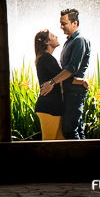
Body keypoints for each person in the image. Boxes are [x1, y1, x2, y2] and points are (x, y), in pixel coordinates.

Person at [39, 8, 91, 139]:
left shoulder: (79, 40)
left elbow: (71, 68)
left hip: (75, 91)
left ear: (75, 23)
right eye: (61, 23)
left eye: (64, 23)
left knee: (69, 130)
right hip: (69, 91)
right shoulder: (69, 40)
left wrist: (52, 82)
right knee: (76, 129)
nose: (61, 27)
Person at [33, 29, 65, 140]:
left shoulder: (45, 58)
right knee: (48, 143)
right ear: (47, 42)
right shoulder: (46, 58)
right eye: (52, 35)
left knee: (60, 143)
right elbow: (63, 76)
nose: (56, 36)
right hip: (49, 108)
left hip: (53, 107)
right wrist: (81, 81)